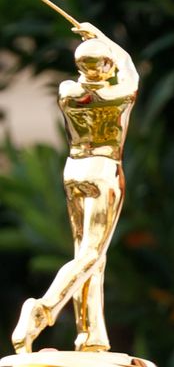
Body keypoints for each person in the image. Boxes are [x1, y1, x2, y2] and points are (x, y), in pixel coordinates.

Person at [11, 23, 139, 353]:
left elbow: (109, 68)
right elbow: (131, 70)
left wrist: (95, 44)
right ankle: (44, 308)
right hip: (103, 171)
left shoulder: (68, 91)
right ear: (106, 66)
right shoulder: (116, 94)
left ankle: (91, 334)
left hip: (74, 169)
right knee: (91, 254)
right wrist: (103, 37)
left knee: (89, 256)